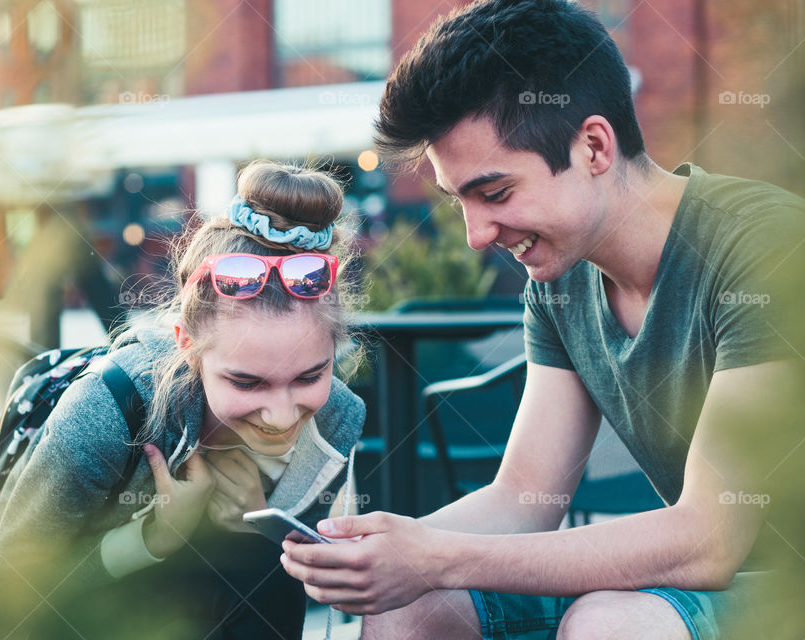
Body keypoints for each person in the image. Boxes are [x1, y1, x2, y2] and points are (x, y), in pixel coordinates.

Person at [280, 1, 805, 638]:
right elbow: (526, 499)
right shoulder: (560, 280)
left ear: (593, 146)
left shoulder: (766, 244)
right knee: (414, 607)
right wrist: (370, 548)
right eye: (460, 201)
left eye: (496, 193)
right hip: (709, 588)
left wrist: (438, 558)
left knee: (609, 624)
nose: (477, 235)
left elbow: (709, 537)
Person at [0, 160, 366, 640]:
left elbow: (294, 588)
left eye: (310, 375)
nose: (281, 415)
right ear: (186, 343)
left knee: (263, 567)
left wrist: (264, 527)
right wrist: (151, 538)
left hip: (183, 610)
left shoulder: (336, 419)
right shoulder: (110, 405)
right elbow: (3, 594)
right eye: (247, 383)